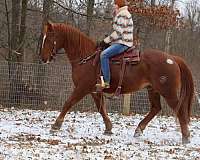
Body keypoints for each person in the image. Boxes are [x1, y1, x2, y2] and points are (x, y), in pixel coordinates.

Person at [97, 0, 134, 89]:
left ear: (117, 5)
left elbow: (118, 32)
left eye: (114, 4)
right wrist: (109, 41)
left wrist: (105, 41)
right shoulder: (122, 13)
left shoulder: (123, 14)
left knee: (103, 55)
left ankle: (106, 82)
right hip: (121, 41)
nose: (113, 5)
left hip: (123, 43)